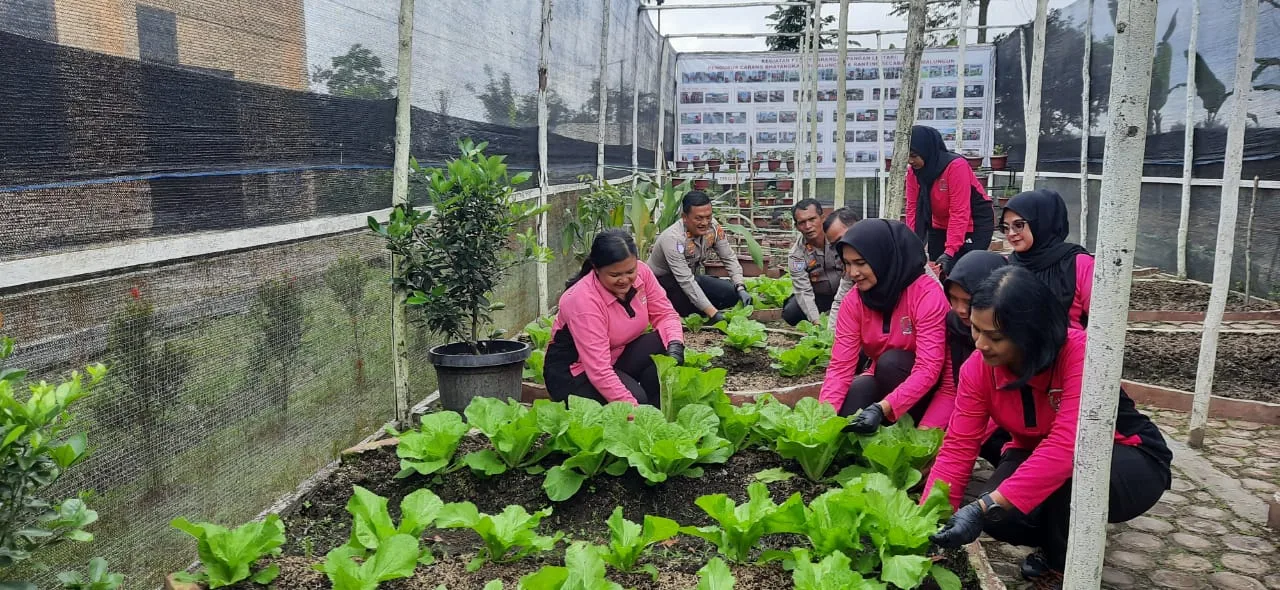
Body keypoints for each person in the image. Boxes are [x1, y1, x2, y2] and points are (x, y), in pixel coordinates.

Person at [928, 266, 1172, 588]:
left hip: (1125, 454)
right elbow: (959, 444)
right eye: (976, 329)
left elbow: (1067, 446)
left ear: (1030, 332)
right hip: (1035, 450)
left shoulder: (1081, 352)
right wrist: (928, 521)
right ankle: (1060, 539)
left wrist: (984, 505)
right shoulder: (978, 368)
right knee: (1000, 517)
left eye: (995, 337)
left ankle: (1062, 565)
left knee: (1071, 479)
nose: (980, 344)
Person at [818, 219, 953, 433]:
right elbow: (840, 367)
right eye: (848, 263)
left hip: (931, 388)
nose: (853, 272)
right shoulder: (854, 301)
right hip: (883, 383)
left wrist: (882, 409)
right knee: (846, 410)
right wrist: (823, 419)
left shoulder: (927, 294)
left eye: (861, 263)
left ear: (883, 258)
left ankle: (910, 427)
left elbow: (929, 368)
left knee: (891, 362)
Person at [544, 230, 686, 407]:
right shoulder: (583, 300)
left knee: (666, 344)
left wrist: (676, 346)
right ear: (596, 269)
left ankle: (656, 410)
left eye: (630, 271)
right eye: (615, 275)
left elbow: (666, 315)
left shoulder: (642, 272)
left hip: (614, 356)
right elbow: (599, 370)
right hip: (575, 372)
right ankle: (643, 413)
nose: (625, 280)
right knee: (636, 400)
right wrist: (635, 411)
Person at [941, 250, 1011, 465]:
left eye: (968, 300)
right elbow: (954, 387)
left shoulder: (1013, 327)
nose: (960, 309)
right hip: (977, 412)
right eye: (953, 298)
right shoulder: (955, 324)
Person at [648, 191, 753, 322]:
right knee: (686, 303)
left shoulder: (714, 227)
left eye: (708, 217)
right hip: (663, 285)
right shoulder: (673, 238)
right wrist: (714, 314)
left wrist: (740, 286)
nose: (705, 222)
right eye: (698, 218)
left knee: (731, 294)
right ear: (684, 217)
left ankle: (700, 309)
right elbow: (685, 280)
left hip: (692, 279)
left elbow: (728, 257)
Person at [905, 125, 995, 275]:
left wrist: (951, 250)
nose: (910, 161)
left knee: (964, 272)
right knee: (937, 270)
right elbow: (912, 208)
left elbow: (960, 211)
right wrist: (911, 244)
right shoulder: (913, 172)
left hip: (973, 224)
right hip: (939, 223)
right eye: (907, 156)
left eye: (914, 155)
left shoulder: (955, 166)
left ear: (927, 151)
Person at [1002, 189, 1094, 329]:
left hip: (1070, 347)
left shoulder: (1079, 263)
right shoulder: (1007, 265)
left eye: (1019, 225)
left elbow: (1102, 319)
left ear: (1043, 221)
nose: (1011, 233)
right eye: (1006, 227)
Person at [783, 199, 844, 326]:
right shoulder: (796, 255)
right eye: (802, 223)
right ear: (796, 227)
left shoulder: (839, 239)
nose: (808, 226)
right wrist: (816, 322)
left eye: (812, 219)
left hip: (845, 293)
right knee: (791, 312)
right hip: (819, 296)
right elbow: (804, 291)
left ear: (822, 218)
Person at [821, 206, 861, 329]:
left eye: (843, 239)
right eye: (835, 245)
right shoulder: (848, 265)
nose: (841, 247)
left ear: (858, 227)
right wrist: (830, 335)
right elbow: (840, 301)